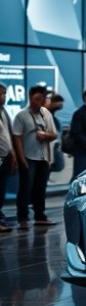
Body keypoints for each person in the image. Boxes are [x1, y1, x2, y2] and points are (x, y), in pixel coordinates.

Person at [11, 86, 58, 228]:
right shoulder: (22, 115)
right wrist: (21, 159)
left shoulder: (46, 114)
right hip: (28, 157)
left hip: (43, 158)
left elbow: (54, 135)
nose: (39, 101)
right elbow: (17, 137)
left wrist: (46, 135)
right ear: (30, 97)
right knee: (25, 188)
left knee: (40, 188)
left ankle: (40, 216)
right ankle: (23, 218)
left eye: (42, 99)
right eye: (37, 98)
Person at [0, 84, 18, 231]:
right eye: (1, 94)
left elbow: (7, 134)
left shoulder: (4, 111)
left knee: (1, 189)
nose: (3, 97)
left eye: (5, 94)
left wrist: (13, 154)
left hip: (6, 157)